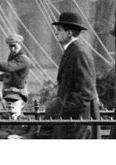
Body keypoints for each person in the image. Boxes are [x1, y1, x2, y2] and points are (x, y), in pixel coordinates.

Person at [45, 9, 101, 139]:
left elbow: (85, 93)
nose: (56, 32)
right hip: (73, 121)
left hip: (78, 123)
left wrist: (64, 111)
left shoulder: (79, 52)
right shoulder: (72, 50)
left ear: (69, 33)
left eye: (59, 29)